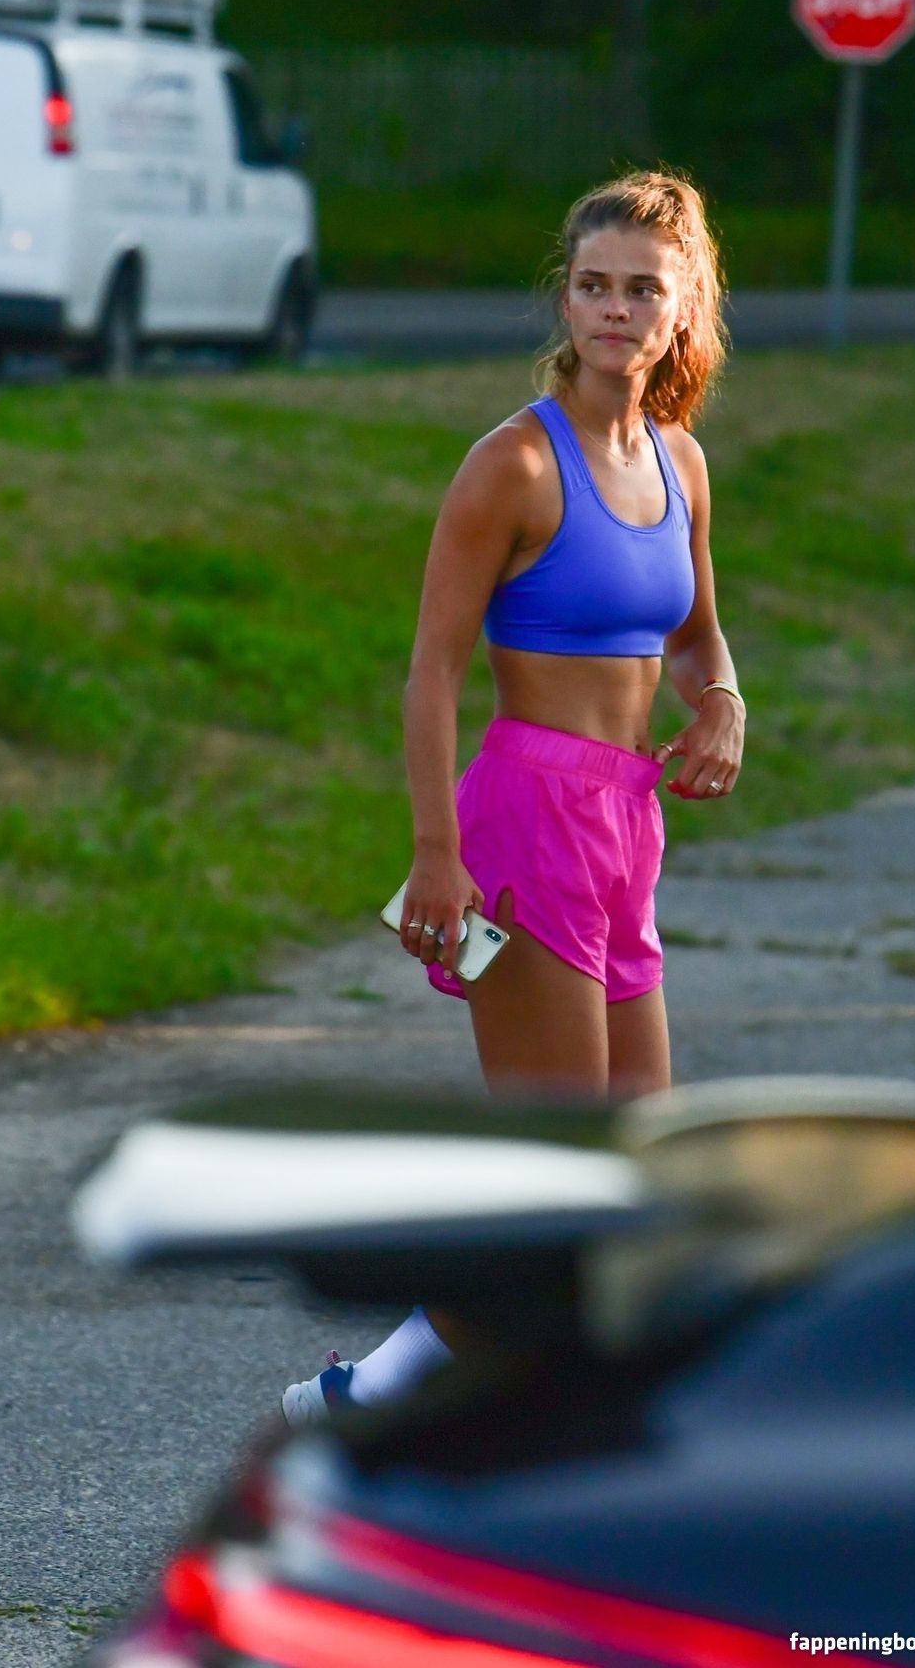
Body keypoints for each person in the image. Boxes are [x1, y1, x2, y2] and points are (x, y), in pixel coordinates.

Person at [283, 171, 745, 1426]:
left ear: (683, 307)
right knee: (562, 1173)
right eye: (593, 286)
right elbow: (432, 671)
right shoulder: (514, 465)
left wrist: (723, 699)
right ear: (567, 299)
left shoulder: (681, 462)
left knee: (637, 1167)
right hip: (525, 823)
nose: (614, 309)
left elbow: (696, 634)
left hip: (628, 824)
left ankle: (454, 1394)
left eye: (641, 289)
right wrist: (436, 854)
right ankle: (379, 1398)